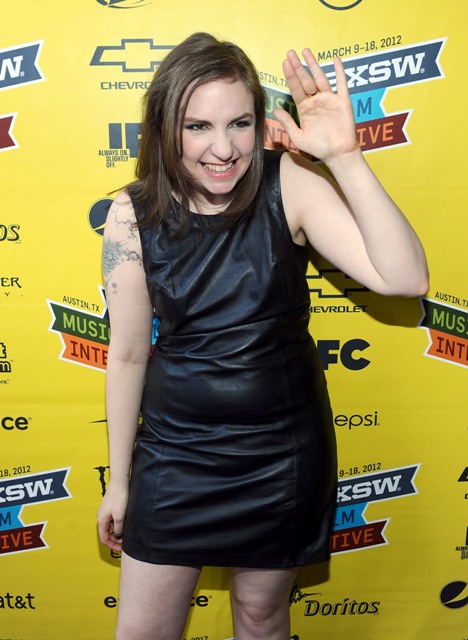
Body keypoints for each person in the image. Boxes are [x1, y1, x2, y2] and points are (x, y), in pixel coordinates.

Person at [97, 32, 429, 640]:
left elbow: (406, 280)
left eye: (240, 124)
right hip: (176, 455)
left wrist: (345, 158)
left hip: (280, 456)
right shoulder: (131, 214)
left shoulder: (290, 183)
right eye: (198, 126)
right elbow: (126, 355)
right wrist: (119, 481)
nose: (223, 148)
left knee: (260, 617)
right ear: (164, 128)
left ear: (260, 122)